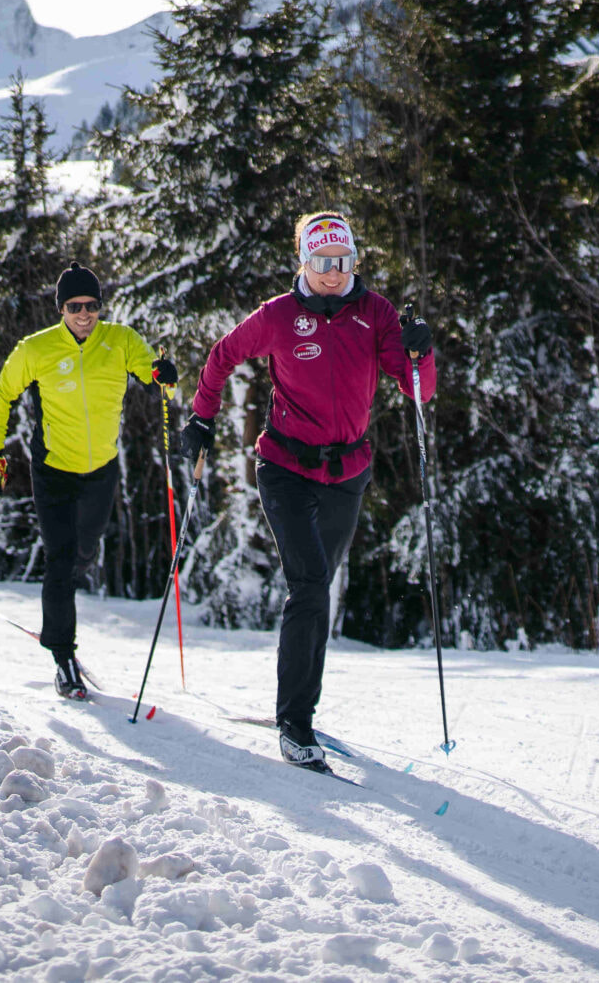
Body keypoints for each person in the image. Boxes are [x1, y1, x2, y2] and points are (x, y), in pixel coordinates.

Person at [183, 212, 434, 769]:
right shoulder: (279, 316)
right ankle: (295, 721)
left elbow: (419, 390)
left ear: (353, 262)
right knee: (311, 586)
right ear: (304, 262)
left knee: (319, 590)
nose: (332, 274)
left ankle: (301, 709)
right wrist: (202, 419)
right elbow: (221, 356)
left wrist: (421, 352)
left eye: (342, 262)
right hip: (285, 470)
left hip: (347, 473)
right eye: (322, 263)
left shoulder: (376, 313)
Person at [0, 264, 177, 699]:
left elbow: (154, 376)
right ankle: (62, 656)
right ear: (61, 308)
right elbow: (2, 393)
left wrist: (162, 376)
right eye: (74, 306)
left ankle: (63, 607)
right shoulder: (37, 348)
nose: (84, 313)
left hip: (102, 470)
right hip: (52, 470)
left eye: (91, 305)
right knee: (60, 561)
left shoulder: (120, 340)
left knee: (83, 554)